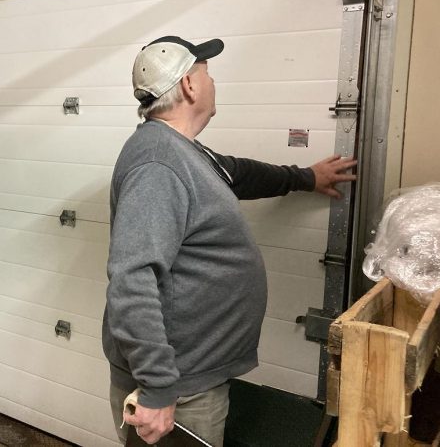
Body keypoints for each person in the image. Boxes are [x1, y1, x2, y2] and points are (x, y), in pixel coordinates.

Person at [102, 36, 356, 446]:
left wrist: (306, 177)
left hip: (190, 375)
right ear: (189, 85)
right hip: (178, 386)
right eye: (207, 72)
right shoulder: (158, 165)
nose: (213, 81)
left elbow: (237, 173)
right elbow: (132, 278)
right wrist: (158, 385)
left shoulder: (184, 152)